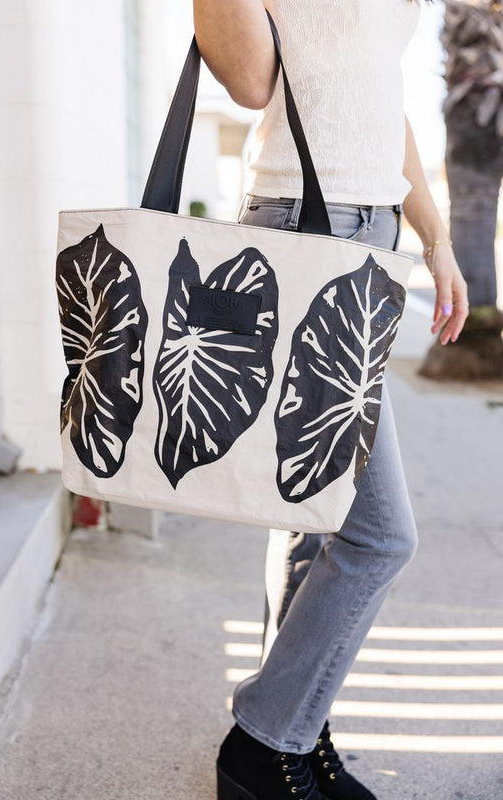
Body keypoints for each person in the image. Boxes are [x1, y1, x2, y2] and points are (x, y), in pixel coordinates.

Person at [193, 2, 470, 799]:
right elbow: (250, 82)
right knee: (378, 536)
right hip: (305, 235)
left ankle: (293, 732)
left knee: (313, 519)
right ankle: (261, 742)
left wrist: (436, 239)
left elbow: (378, 100)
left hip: (368, 235)